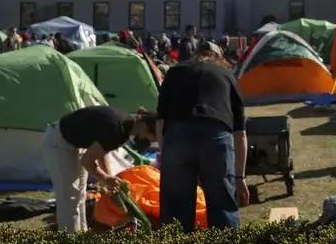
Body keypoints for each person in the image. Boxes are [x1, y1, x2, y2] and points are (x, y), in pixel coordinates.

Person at [157, 41, 249, 231]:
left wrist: (167, 153)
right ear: (219, 58)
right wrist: (240, 178)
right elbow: (240, 134)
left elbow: (160, 123)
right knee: (222, 205)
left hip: (177, 136)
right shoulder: (227, 75)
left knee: (175, 210)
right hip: (216, 135)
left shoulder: (174, 73)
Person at [42, 106, 157, 233]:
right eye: (151, 138)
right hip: (59, 142)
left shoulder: (125, 127)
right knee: (69, 196)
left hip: (77, 145)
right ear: (145, 128)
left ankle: (80, 234)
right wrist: (105, 178)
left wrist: (109, 176)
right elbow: (87, 161)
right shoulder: (118, 128)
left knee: (79, 194)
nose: (148, 142)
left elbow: (103, 151)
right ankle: (69, 239)